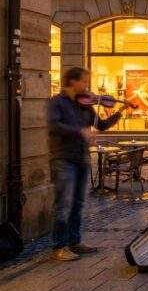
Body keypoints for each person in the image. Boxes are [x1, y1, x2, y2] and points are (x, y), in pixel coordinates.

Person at [48, 67, 129, 261]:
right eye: (84, 81)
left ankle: (75, 241)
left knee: (78, 203)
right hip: (63, 158)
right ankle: (59, 247)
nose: (86, 86)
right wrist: (80, 132)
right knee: (63, 203)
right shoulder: (56, 103)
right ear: (72, 82)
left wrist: (120, 111)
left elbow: (100, 125)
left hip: (82, 157)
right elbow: (54, 125)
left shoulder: (85, 104)